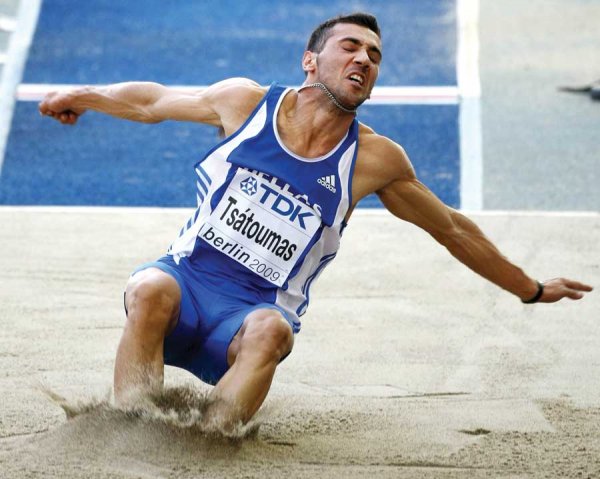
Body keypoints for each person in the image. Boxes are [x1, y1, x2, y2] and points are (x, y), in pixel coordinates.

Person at [39, 12, 592, 429]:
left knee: (273, 331)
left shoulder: (374, 160)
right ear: (311, 60)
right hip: (186, 288)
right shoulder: (245, 104)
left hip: (248, 318)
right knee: (150, 287)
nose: (364, 60)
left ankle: (207, 446)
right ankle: (128, 431)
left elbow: (451, 229)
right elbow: (151, 102)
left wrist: (530, 288)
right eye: (350, 47)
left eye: (374, 56)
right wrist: (81, 96)